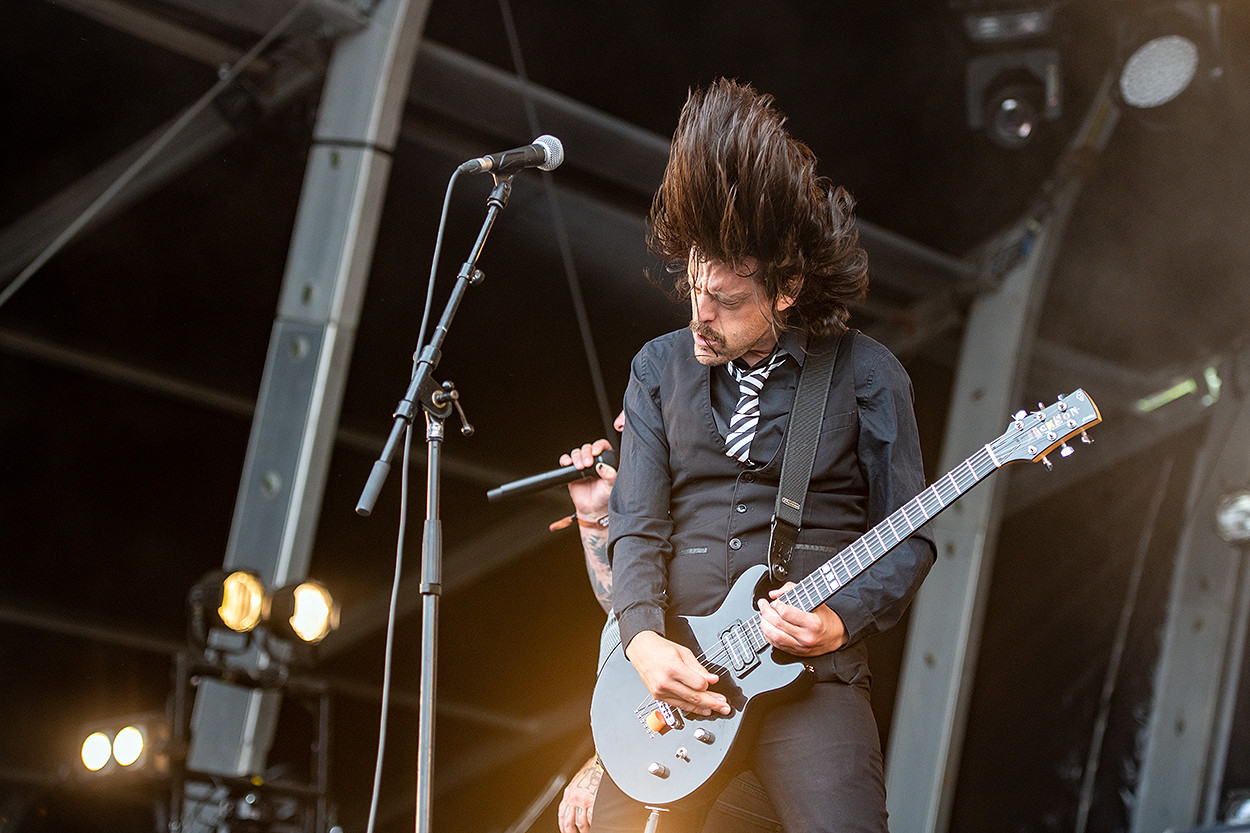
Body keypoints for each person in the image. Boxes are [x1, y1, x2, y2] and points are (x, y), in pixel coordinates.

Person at [594, 79, 937, 833]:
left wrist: (841, 621)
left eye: (724, 299)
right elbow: (637, 525)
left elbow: (909, 537)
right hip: (677, 677)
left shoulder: (867, 374)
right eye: (694, 289)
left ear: (785, 290)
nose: (699, 315)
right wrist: (643, 639)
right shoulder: (657, 368)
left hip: (811, 679)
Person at [555, 413, 782, 833]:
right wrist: (596, 515)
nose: (620, 424)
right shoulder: (654, 507)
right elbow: (622, 615)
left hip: (735, 744)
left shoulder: (726, 496)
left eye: (639, 405)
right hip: (674, 739)